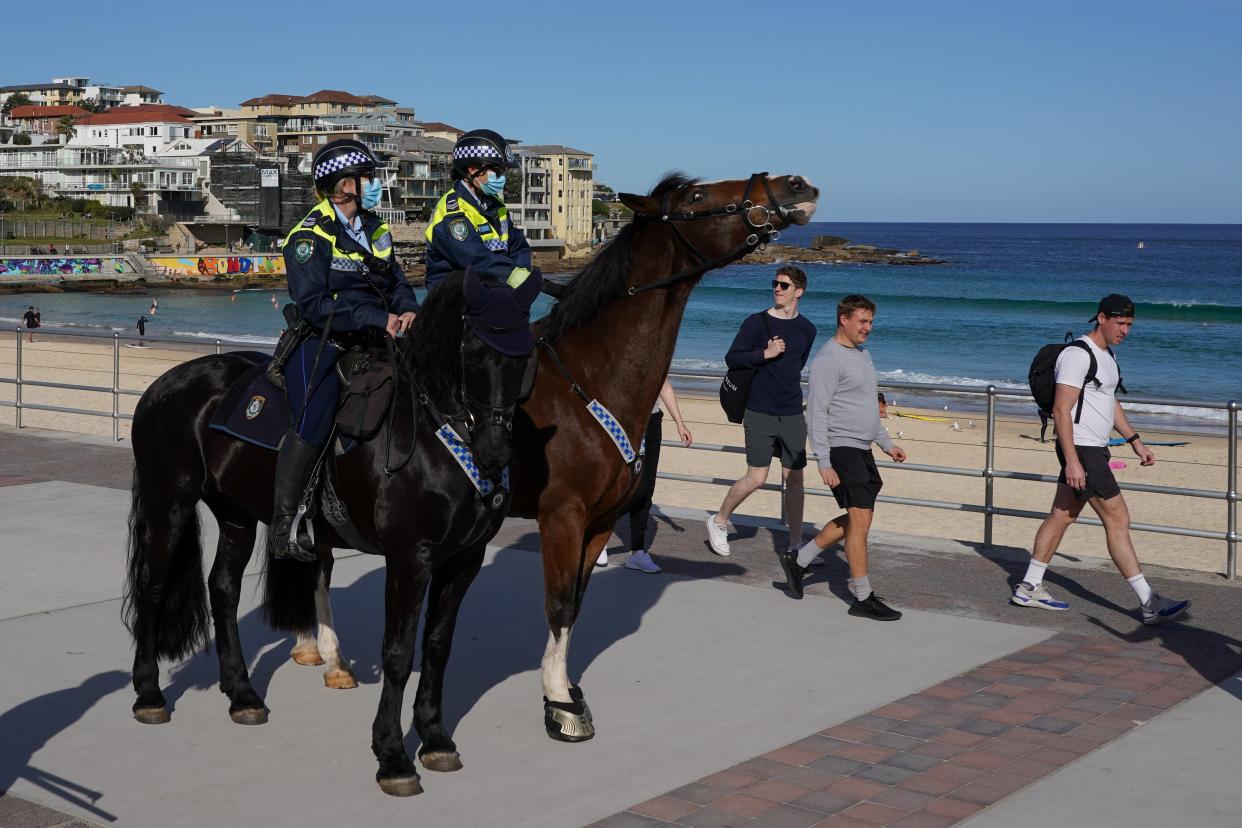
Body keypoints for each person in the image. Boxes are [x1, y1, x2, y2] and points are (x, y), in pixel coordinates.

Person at [270, 138, 420, 561]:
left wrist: (407, 310)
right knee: (314, 418)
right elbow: (314, 304)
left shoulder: (376, 229)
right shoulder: (307, 236)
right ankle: (285, 526)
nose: (374, 184)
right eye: (367, 177)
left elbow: (398, 283)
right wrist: (378, 318)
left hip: (378, 339)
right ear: (343, 184)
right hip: (324, 341)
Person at [1011, 294, 1189, 624]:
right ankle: (1149, 601)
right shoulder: (1078, 355)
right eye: (1120, 323)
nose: (1125, 330)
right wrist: (1073, 460)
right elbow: (1061, 410)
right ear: (1102, 318)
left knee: (1061, 516)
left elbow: (1110, 403)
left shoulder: (1107, 357)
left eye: (1130, 325)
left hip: (1092, 448)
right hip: (1082, 449)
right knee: (1118, 519)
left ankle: (1029, 586)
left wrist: (1136, 441)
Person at [779, 294, 908, 621]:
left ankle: (800, 560)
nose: (868, 328)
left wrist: (885, 443)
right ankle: (862, 596)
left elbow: (866, 408)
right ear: (844, 319)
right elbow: (816, 413)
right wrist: (823, 460)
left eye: (871, 322)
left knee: (856, 519)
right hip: (841, 449)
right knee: (860, 522)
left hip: (862, 450)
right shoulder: (827, 359)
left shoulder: (863, 355)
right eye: (863, 322)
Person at [707, 266, 817, 558]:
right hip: (759, 410)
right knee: (757, 477)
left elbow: (797, 365)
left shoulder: (808, 329)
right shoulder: (756, 323)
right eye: (775, 284)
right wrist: (764, 354)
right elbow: (732, 358)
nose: (777, 289)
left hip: (793, 411)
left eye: (784, 285)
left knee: (794, 478)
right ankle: (719, 521)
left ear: (799, 291)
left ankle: (795, 545)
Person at [597, 378, 693, 573]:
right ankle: (598, 535)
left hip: (654, 422)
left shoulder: (656, 352)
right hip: (630, 424)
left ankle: (638, 553)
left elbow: (664, 385)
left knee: (647, 491)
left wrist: (680, 424)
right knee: (635, 490)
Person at [423, 129, 533, 292]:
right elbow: (474, 258)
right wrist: (512, 275)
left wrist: (522, 273)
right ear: (473, 169)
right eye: (496, 170)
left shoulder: (496, 206)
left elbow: (519, 247)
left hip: (494, 289)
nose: (501, 177)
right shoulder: (452, 213)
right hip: (455, 299)